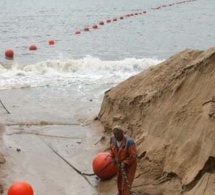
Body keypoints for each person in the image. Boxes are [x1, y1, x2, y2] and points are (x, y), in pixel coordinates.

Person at [110, 125, 137, 195]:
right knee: (119, 180)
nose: (116, 135)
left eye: (118, 133)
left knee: (126, 183)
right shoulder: (112, 139)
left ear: (122, 133)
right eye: (115, 134)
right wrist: (113, 158)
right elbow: (112, 150)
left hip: (129, 166)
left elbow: (133, 156)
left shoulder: (129, 142)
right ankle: (120, 193)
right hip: (120, 164)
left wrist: (125, 162)